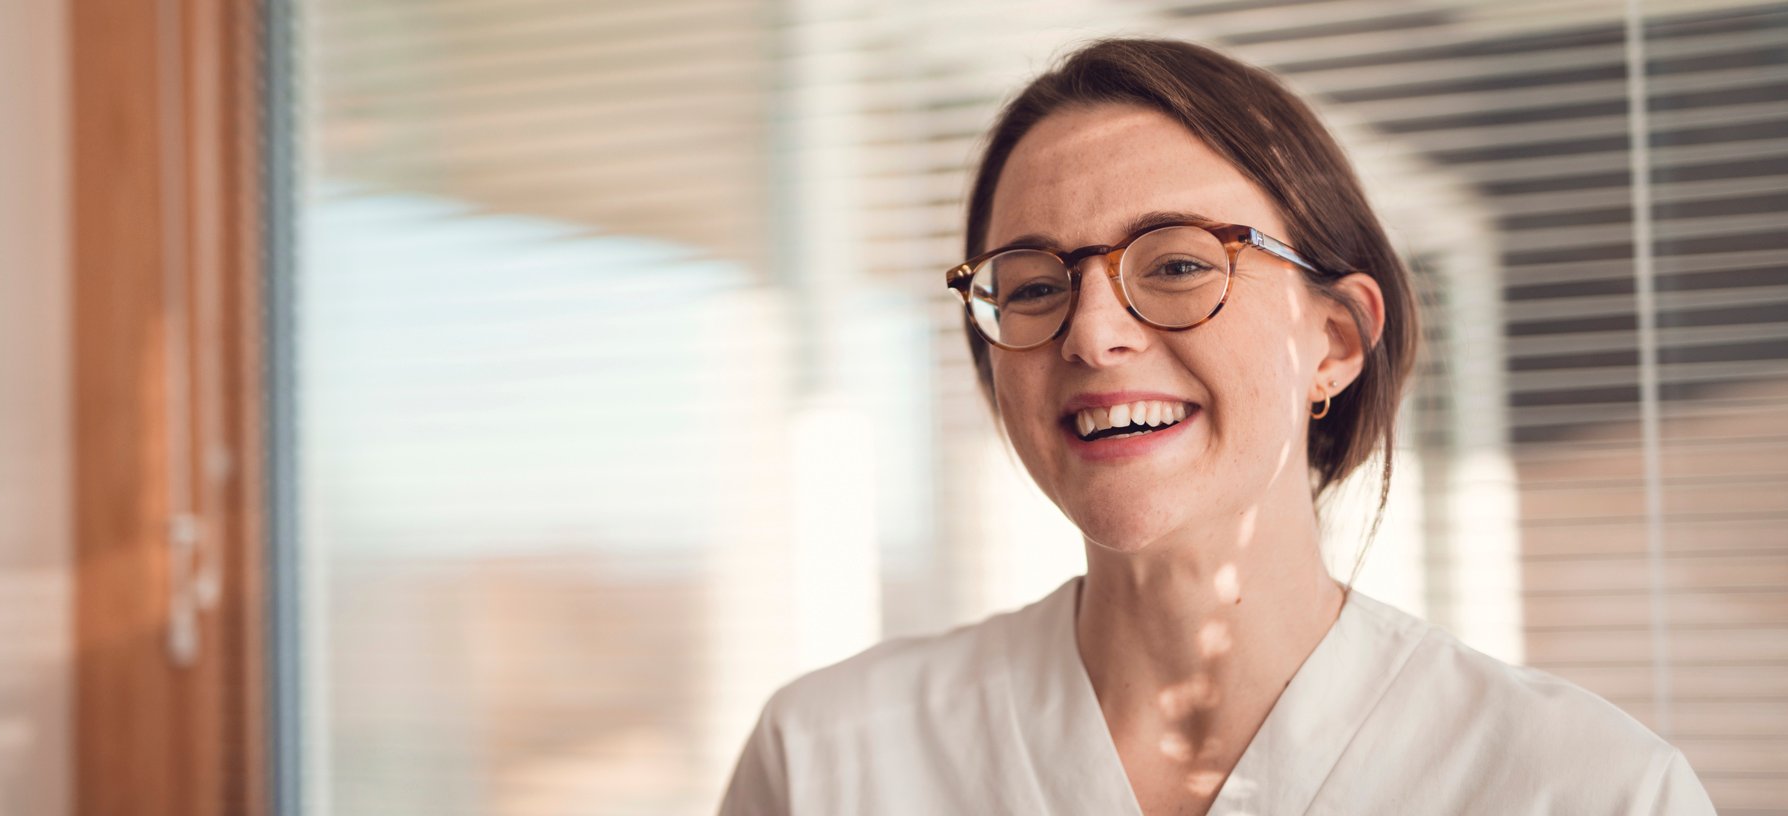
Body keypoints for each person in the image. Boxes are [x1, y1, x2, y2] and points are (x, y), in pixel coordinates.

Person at [717, 38, 1716, 815]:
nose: (1093, 332)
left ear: (1332, 339)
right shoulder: (829, 759)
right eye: (1030, 285)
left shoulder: (1587, 790)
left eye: (1180, 263)